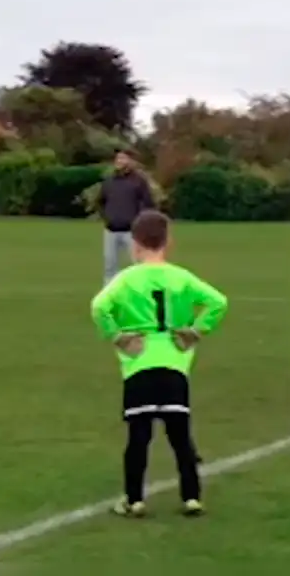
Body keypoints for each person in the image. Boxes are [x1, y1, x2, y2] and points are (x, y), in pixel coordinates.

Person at [90, 210, 229, 518]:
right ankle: (192, 497)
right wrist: (196, 330)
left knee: (139, 436)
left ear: (135, 245)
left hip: (139, 365)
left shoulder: (126, 279)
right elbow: (219, 301)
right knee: (181, 437)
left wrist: (118, 336)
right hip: (174, 365)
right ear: (168, 242)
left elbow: (99, 306)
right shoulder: (180, 277)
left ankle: (134, 499)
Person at [99, 150, 154, 285]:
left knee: (139, 264)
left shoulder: (139, 182)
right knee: (110, 266)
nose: (119, 161)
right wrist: (107, 217)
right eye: (118, 158)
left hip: (132, 231)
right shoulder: (109, 181)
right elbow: (101, 201)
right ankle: (110, 295)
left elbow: (147, 203)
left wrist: (138, 222)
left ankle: (142, 292)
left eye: (123, 158)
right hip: (111, 230)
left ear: (130, 161)